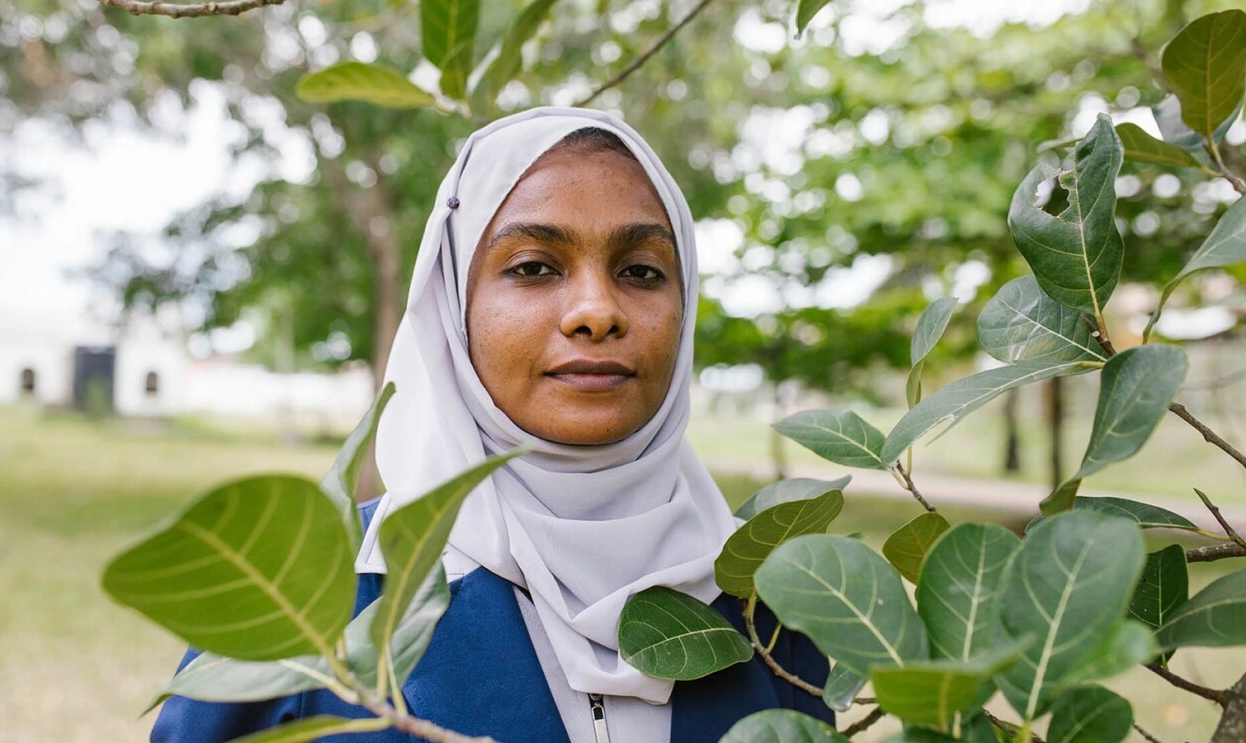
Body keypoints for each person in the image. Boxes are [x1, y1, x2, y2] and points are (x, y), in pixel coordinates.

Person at [151, 107, 832, 743]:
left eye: (641, 271)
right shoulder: (304, 602)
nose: (598, 310)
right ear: (454, 308)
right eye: (534, 267)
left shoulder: (772, 612)